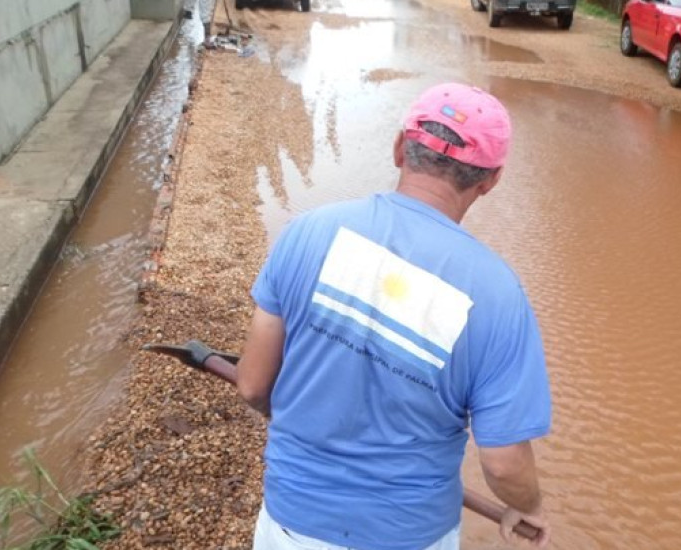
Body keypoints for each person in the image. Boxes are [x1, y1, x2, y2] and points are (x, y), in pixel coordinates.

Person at [237, 82, 552, 550]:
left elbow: (252, 383)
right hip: (410, 534)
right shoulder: (499, 296)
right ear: (491, 180)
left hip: (291, 523)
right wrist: (527, 505)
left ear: (400, 147)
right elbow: (504, 463)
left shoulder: (307, 232)